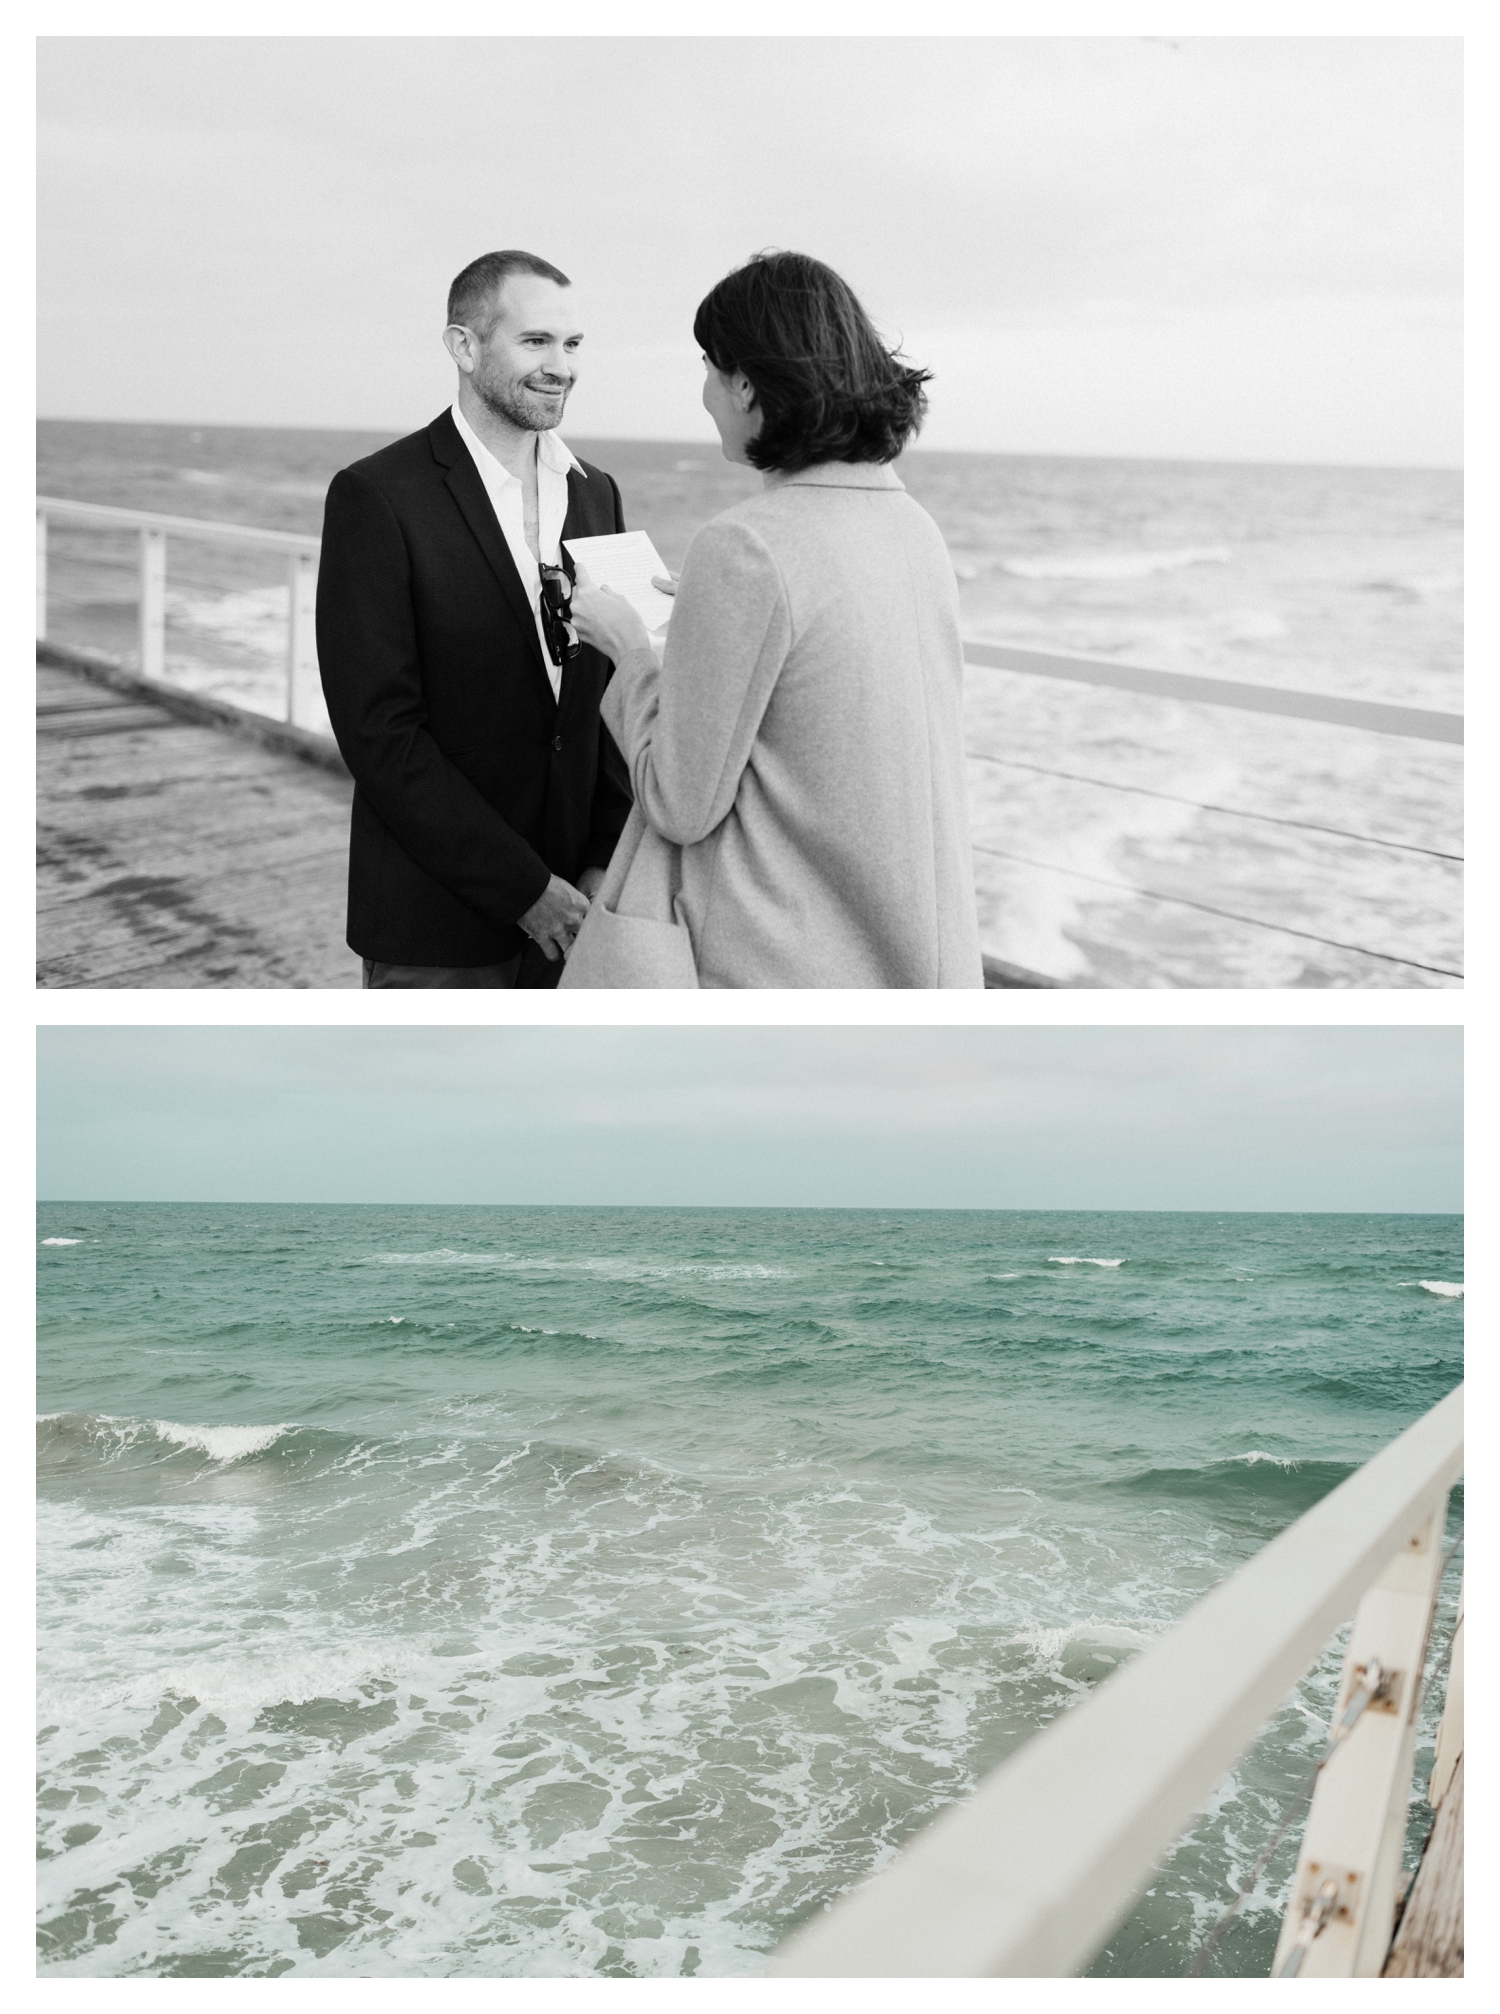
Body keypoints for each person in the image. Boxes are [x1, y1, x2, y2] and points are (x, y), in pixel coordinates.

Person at [565, 250, 984, 989]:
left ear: (748, 385)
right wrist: (709, 616)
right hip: (904, 954)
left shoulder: (746, 547)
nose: (703, 392)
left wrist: (630, 649)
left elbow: (679, 802)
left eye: (708, 365)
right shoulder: (912, 524)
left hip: (776, 960)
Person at [316, 250, 632, 987]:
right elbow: (379, 732)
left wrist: (601, 859)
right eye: (535, 342)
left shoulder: (597, 494)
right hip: (438, 923)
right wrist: (526, 892)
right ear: (464, 346)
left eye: (572, 344)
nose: (562, 365)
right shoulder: (377, 497)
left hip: (584, 914)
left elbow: (608, 691)